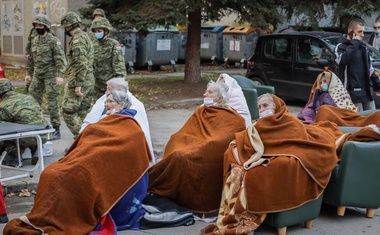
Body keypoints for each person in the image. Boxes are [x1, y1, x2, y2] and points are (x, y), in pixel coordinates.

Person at [3, 89, 152, 234]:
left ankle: (60, 218)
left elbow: (115, 154)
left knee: (65, 179)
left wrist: (90, 161)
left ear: (121, 105)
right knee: (51, 173)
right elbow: (87, 143)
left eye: (110, 101)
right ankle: (48, 216)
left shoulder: (131, 127)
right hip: (84, 159)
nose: (106, 104)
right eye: (106, 101)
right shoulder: (106, 121)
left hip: (95, 166)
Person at [202, 93, 342, 234]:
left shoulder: (288, 121)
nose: (262, 109)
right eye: (260, 107)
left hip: (277, 158)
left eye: (266, 105)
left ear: (275, 106)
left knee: (255, 174)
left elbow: (296, 144)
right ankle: (231, 220)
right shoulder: (257, 125)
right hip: (262, 157)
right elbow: (245, 140)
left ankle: (245, 221)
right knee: (236, 173)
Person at [147, 81, 246, 214]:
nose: (205, 94)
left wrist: (201, 146)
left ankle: (163, 190)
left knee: (181, 157)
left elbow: (221, 139)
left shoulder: (233, 117)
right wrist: (181, 141)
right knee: (176, 149)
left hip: (208, 153)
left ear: (220, 98)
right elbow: (187, 131)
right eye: (206, 91)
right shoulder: (202, 110)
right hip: (192, 146)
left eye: (210, 92)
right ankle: (162, 191)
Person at [79, 77, 155, 165]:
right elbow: (90, 120)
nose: (106, 91)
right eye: (107, 88)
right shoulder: (104, 99)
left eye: (109, 89)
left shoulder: (134, 106)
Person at [25, 14, 67, 140]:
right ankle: (36, 125)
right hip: (38, 75)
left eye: (41, 25)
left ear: (46, 26)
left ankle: (56, 128)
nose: (38, 28)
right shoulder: (35, 40)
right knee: (33, 100)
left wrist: (60, 76)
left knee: (52, 102)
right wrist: (28, 73)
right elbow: (31, 60)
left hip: (51, 75)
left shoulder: (53, 41)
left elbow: (61, 59)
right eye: (36, 25)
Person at [60, 12, 95, 139]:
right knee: (82, 113)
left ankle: (84, 140)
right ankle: (81, 146)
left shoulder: (77, 39)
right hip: (88, 79)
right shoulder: (85, 36)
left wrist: (78, 84)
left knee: (67, 111)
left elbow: (81, 63)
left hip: (81, 81)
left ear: (68, 26)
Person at [335, 19, 380, 112]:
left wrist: (378, 85)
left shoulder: (363, 47)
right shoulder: (340, 47)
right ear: (350, 31)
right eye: (359, 32)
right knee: (358, 122)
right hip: (351, 93)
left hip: (367, 92)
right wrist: (354, 43)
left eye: (363, 31)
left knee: (373, 120)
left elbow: (369, 69)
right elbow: (342, 61)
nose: (362, 35)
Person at [0, 79, 48, 165]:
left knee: (5, 135)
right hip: (43, 134)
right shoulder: (27, 97)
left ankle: (15, 156)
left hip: (26, 137)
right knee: (27, 123)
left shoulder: (4, 105)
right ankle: (36, 150)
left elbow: (3, 126)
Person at [91, 17, 126, 101]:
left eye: (99, 31)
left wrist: (119, 84)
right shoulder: (93, 44)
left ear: (106, 31)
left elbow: (119, 67)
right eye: (95, 31)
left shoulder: (113, 44)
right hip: (97, 87)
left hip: (111, 86)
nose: (97, 33)